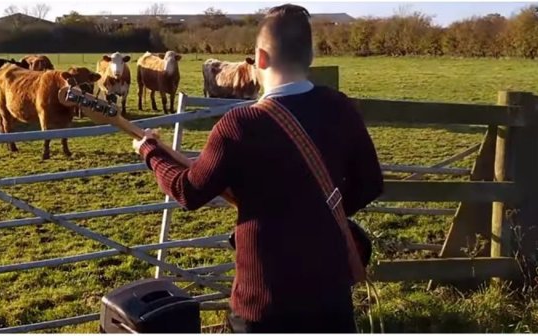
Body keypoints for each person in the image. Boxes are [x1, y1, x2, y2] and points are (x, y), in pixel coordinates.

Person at [133, 3, 383, 333]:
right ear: (311, 56)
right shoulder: (341, 108)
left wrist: (150, 150)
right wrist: (315, 211)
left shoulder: (239, 125)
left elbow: (188, 191)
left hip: (263, 304)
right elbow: (371, 184)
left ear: (259, 59)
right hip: (330, 297)